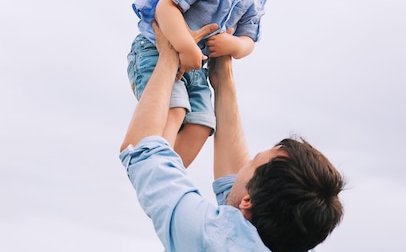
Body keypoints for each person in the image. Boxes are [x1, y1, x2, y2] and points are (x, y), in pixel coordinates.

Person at [120, 22, 345, 252]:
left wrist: (168, 56)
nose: (243, 166)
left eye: (252, 161)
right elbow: (240, 200)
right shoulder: (280, 236)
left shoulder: (210, 238)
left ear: (248, 201)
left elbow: (142, 151)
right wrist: (223, 77)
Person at [127, 0, 290, 167]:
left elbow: (249, 40)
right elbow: (166, 6)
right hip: (155, 49)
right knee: (176, 108)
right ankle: (151, 165)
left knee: (203, 123)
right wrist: (185, 47)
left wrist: (234, 45)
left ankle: (170, 176)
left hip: (196, 69)